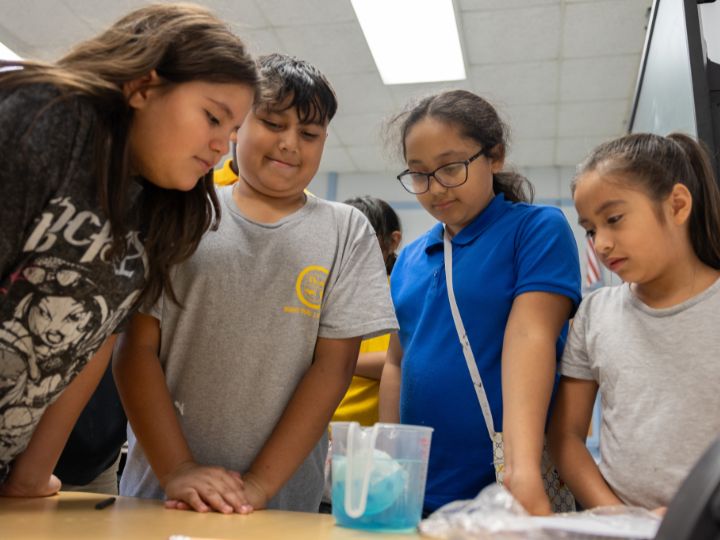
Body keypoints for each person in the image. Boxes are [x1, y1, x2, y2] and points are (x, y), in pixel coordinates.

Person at [114, 53, 398, 515]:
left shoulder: (346, 230)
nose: (290, 144)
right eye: (272, 123)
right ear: (236, 127)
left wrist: (259, 485)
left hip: (280, 503)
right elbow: (135, 352)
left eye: (309, 134)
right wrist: (178, 469)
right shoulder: (180, 211)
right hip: (159, 494)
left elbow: (333, 369)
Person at [0, 4, 258, 497]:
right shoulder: (40, 121)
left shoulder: (157, 208)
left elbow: (94, 343)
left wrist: (31, 474)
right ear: (143, 86)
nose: (221, 147)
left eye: (231, 132)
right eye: (212, 117)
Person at [378, 90, 581, 515]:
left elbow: (531, 335)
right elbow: (397, 362)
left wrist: (521, 470)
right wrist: (389, 461)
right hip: (418, 491)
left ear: (495, 156)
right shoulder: (411, 259)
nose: (435, 188)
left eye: (451, 167)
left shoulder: (536, 229)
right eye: (419, 174)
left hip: (505, 485)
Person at [547, 133, 720, 511]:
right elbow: (565, 436)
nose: (601, 243)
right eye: (591, 229)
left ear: (677, 205)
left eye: (614, 219)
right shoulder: (596, 313)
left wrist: (688, 516)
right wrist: (619, 518)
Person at [332, 196, 402, 426]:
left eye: (362, 243)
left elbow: (401, 362)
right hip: (324, 431)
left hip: (368, 435)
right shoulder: (330, 292)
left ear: (393, 242)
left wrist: (333, 360)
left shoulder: (400, 290)